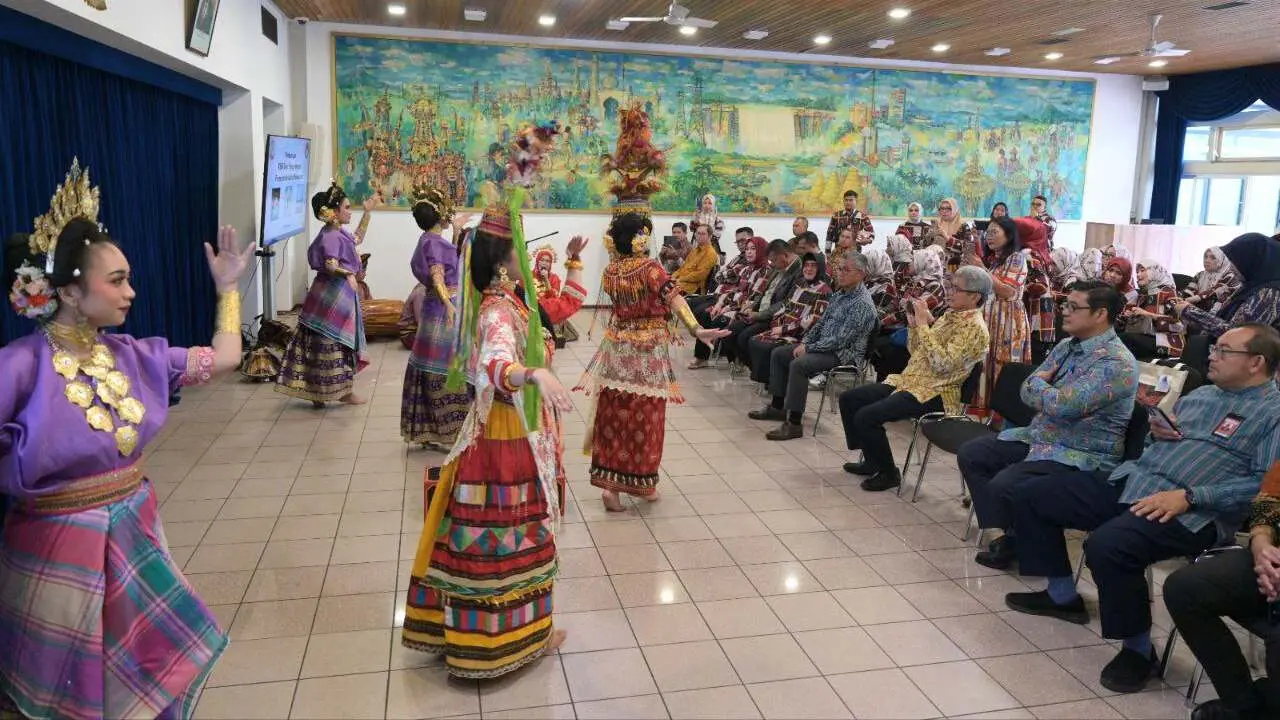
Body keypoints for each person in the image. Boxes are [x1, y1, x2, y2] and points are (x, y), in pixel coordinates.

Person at [1, 160, 254, 718]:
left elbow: (229, 356)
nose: (130, 292)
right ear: (68, 290)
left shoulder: (134, 355)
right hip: (58, 558)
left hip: (137, 538)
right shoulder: (19, 367)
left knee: (140, 688)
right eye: (116, 281)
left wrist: (229, 290)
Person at [1002, 323, 1280, 694]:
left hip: (1192, 510)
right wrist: (1156, 432)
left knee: (1108, 546)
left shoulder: (1272, 414)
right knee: (1031, 494)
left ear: (1256, 362)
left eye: (1224, 350)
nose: (1211, 354)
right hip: (1137, 481)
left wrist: (1191, 496)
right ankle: (1061, 595)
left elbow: (1263, 485)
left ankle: (1138, 650)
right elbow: (1154, 440)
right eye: (1214, 347)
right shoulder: (1202, 396)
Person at [402, 199, 577, 680]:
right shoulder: (499, 310)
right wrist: (534, 373)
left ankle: (517, 635)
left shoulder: (511, 301)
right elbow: (494, 367)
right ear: (503, 260)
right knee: (506, 536)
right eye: (521, 247)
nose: (527, 256)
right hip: (506, 435)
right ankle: (499, 645)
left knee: (502, 536)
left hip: (512, 428)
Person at [958, 281, 1138, 569]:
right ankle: (1007, 536)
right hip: (1042, 438)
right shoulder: (1067, 346)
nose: (1064, 312)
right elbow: (1026, 388)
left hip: (1080, 452)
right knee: (973, 454)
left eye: (1073, 307)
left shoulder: (1117, 363)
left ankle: (1036, 558)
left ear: (1100, 314)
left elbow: (1064, 405)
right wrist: (1044, 389)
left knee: (1006, 484)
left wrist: (1042, 388)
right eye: (1065, 305)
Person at [578, 211, 729, 511]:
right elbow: (674, 299)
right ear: (640, 238)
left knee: (613, 415)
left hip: (615, 352)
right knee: (645, 419)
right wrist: (696, 329)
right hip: (647, 356)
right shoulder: (650, 269)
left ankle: (610, 487)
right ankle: (645, 487)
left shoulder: (611, 272)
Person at [841, 265, 992, 491]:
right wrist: (915, 328)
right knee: (850, 399)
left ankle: (889, 473)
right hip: (913, 381)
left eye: (956, 288)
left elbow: (942, 366)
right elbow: (917, 351)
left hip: (938, 392)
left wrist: (923, 326)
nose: (949, 292)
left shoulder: (975, 328)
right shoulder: (951, 315)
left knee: (867, 416)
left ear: (974, 296)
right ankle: (872, 458)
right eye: (950, 286)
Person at [1164, 461, 1280, 720]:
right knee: (1186, 589)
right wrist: (1261, 546)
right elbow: (1269, 502)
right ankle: (1243, 703)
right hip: (1273, 558)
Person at [749, 251, 877, 441]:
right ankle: (778, 407)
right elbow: (821, 323)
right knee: (780, 353)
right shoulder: (840, 294)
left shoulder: (862, 303)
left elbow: (841, 340)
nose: (840, 273)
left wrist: (809, 348)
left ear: (860, 274)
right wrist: (807, 342)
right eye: (839, 269)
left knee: (799, 364)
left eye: (845, 270)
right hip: (824, 346)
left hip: (843, 354)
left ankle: (794, 422)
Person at [277, 181, 378, 406]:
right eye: (348, 207)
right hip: (332, 296)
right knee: (332, 346)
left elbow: (357, 238)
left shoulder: (336, 232)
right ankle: (337, 392)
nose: (350, 211)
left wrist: (368, 212)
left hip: (331, 296)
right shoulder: (331, 237)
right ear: (334, 212)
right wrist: (348, 274)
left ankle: (325, 393)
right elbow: (331, 265)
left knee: (326, 346)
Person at [401, 186, 472, 448]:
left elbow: (446, 261)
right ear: (441, 213)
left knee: (430, 363)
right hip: (442, 310)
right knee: (445, 365)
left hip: (436, 307)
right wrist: (449, 304)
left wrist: (455, 232)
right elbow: (438, 275)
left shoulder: (429, 240)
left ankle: (431, 431)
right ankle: (448, 431)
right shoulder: (432, 244)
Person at [1174, 233, 1280, 372]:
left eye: (1236, 262)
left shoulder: (1270, 293)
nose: (1231, 268)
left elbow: (1237, 336)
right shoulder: (1252, 286)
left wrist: (1191, 312)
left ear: (1252, 261)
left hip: (1241, 370)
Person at [967, 215, 1031, 419]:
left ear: (1009, 235)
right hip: (991, 320)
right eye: (987, 233)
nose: (988, 237)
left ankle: (1002, 418)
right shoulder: (996, 260)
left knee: (1004, 367)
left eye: (994, 232)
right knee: (987, 364)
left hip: (1008, 322)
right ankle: (987, 417)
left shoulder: (1017, 258)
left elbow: (1007, 291)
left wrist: (982, 270)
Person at [746, 253, 832, 383]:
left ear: (820, 268)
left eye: (813, 266)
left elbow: (812, 322)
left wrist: (783, 330)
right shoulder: (799, 284)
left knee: (771, 348)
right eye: (806, 265)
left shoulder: (824, 292)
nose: (808, 269)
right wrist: (776, 324)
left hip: (801, 336)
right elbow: (785, 307)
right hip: (784, 328)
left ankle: (774, 386)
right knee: (754, 340)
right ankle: (768, 381)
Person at [688, 236, 769, 369]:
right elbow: (735, 290)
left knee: (712, 319)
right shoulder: (747, 269)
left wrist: (727, 308)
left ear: (761, 250)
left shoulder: (765, 271)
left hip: (746, 310)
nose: (748, 252)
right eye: (747, 249)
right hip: (731, 305)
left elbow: (752, 298)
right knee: (707, 313)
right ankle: (702, 357)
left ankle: (735, 358)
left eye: (753, 249)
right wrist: (720, 304)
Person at [729, 239, 801, 368]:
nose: (771, 264)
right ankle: (752, 367)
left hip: (773, 317)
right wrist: (752, 305)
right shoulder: (778, 267)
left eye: (773, 260)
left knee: (745, 337)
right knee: (732, 330)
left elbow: (785, 303)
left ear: (784, 255)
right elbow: (764, 292)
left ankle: (758, 372)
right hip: (759, 311)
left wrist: (759, 315)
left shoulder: (798, 272)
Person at [1119, 260, 1184, 360]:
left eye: (1142, 270)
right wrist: (1131, 315)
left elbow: (1178, 325)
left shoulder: (1169, 292)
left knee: (1124, 339)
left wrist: (1147, 314)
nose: (1138, 275)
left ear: (1154, 271)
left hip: (1165, 341)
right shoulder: (1143, 295)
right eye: (1137, 272)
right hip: (1143, 336)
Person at [531, 241, 589, 346]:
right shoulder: (528, 275)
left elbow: (555, 297)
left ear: (551, 263)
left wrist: (546, 281)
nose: (544, 263)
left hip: (548, 310)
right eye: (542, 260)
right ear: (537, 261)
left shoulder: (554, 278)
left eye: (548, 261)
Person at [1183, 246, 1241, 314]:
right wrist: (1180, 300)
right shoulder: (1200, 274)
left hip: (1217, 316)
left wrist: (1189, 300)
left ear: (1221, 260)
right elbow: (1189, 291)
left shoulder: (1230, 275)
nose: (1207, 260)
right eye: (1205, 256)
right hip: (1194, 311)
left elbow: (1214, 293)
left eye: (1213, 258)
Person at [927, 197, 976, 276]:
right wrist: (929, 237)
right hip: (934, 264)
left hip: (954, 265)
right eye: (942, 208)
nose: (944, 211)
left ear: (955, 209)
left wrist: (947, 238)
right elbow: (926, 246)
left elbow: (968, 248)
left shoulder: (963, 226)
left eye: (948, 208)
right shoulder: (936, 224)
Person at [672, 222, 718, 295]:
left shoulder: (710, 253)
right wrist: (673, 276)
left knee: (665, 291)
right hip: (681, 283)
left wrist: (679, 279)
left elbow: (699, 275)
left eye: (702, 234)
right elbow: (683, 267)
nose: (699, 236)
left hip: (693, 289)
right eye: (697, 233)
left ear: (710, 236)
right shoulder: (695, 251)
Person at [824, 189, 874, 254]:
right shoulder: (836, 216)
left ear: (856, 201)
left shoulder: (863, 216)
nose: (848, 202)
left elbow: (871, 233)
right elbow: (829, 235)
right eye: (846, 200)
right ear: (843, 201)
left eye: (851, 200)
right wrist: (827, 252)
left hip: (855, 253)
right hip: (838, 252)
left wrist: (867, 240)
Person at [691, 192, 726, 259]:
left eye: (710, 203)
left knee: (710, 262)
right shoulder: (697, 215)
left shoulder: (716, 217)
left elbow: (718, 233)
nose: (707, 205)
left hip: (711, 243)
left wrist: (708, 236)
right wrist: (696, 221)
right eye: (705, 203)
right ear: (702, 204)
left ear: (713, 204)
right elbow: (692, 229)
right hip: (697, 243)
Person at [398, 282, 426, 350]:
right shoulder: (421, 293)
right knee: (441, 343)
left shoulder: (422, 287)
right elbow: (419, 320)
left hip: (414, 332)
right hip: (409, 336)